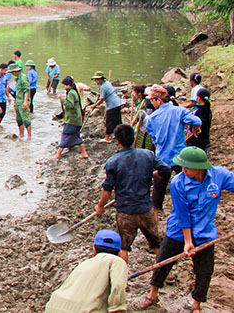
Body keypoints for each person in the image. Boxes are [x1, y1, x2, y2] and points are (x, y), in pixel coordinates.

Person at [135, 147, 234, 312]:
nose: (183, 170)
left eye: (187, 166)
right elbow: (183, 214)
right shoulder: (178, 182)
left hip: (205, 232)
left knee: (205, 270)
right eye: (182, 166)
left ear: (201, 167)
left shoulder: (219, 175)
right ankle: (153, 294)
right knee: (163, 262)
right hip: (178, 230)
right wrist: (187, 241)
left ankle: (196, 305)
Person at [96, 123, 171, 262]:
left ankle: (123, 280)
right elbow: (166, 170)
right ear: (134, 137)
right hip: (145, 209)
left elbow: (107, 189)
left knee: (123, 247)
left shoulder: (113, 162)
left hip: (125, 211)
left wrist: (100, 206)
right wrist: (151, 175)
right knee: (156, 243)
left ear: (117, 141)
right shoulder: (147, 155)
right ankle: (167, 274)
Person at [146, 85, 202, 219]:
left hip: (162, 157)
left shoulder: (152, 118)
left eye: (152, 100)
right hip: (179, 156)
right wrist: (194, 127)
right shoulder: (179, 111)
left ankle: (156, 214)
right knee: (186, 182)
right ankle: (192, 207)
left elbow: (153, 138)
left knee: (158, 187)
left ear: (158, 100)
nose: (152, 103)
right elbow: (196, 120)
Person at [44, 230, 127, 313]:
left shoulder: (84, 264)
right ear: (120, 253)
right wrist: (117, 309)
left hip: (54, 306)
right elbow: (118, 285)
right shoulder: (117, 261)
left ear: (94, 250)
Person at [52, 76, 89, 160]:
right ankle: (84, 153)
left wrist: (62, 100)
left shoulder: (71, 93)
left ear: (68, 85)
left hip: (73, 120)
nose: (64, 88)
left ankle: (58, 155)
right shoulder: (74, 92)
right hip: (77, 119)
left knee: (65, 135)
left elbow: (70, 105)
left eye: (64, 86)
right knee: (77, 137)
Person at [89, 71, 124, 143]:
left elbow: (102, 99)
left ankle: (107, 138)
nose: (96, 81)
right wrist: (100, 94)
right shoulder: (107, 83)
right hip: (117, 103)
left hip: (112, 105)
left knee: (109, 121)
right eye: (95, 80)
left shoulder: (103, 87)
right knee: (117, 120)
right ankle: (118, 134)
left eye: (97, 80)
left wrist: (94, 105)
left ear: (101, 79)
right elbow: (107, 93)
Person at [9, 64, 31, 138]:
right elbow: (18, 91)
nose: (12, 74)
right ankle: (21, 134)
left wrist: (25, 102)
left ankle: (29, 136)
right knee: (19, 119)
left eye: (13, 72)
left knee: (25, 119)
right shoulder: (17, 78)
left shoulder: (23, 78)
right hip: (18, 101)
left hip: (22, 101)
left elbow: (26, 90)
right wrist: (15, 102)